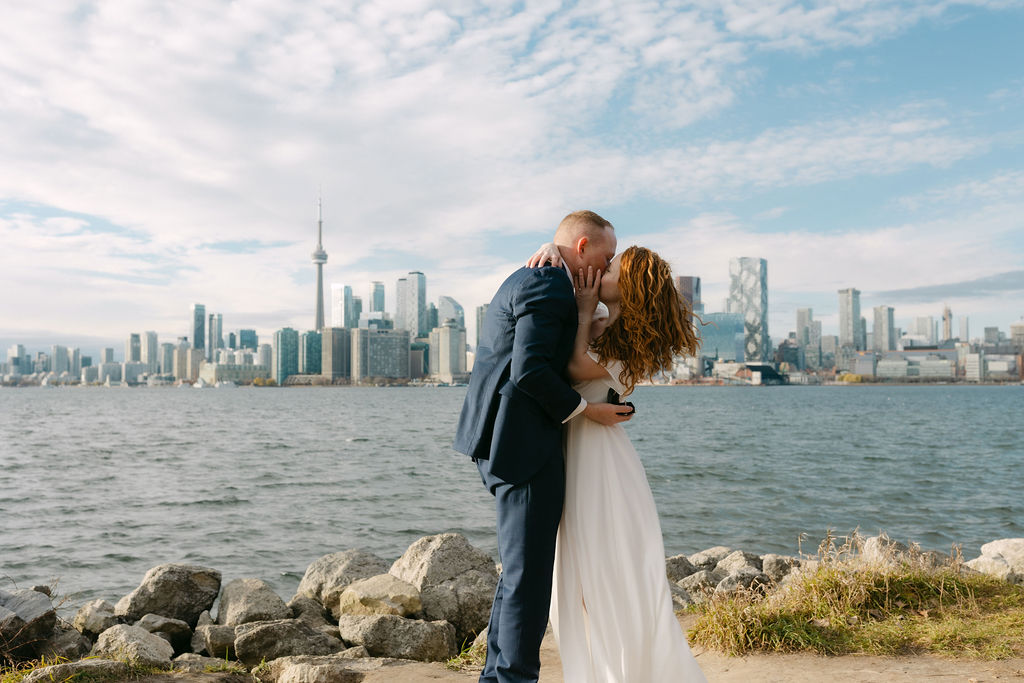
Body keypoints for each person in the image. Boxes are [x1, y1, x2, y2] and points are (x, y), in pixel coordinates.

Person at [453, 211, 634, 683]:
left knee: (520, 573)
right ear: (580, 249)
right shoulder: (550, 284)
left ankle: (497, 677)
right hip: (523, 444)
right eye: (606, 255)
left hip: (512, 438)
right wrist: (583, 411)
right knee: (529, 580)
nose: (609, 262)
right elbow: (529, 370)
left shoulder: (547, 279)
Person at [529, 243, 708, 682]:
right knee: (582, 574)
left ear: (627, 286)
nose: (600, 268)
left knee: (609, 574)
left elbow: (573, 366)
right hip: (582, 448)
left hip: (601, 463)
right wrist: (553, 248)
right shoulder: (609, 324)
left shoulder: (630, 342)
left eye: (610, 267)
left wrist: (586, 307)